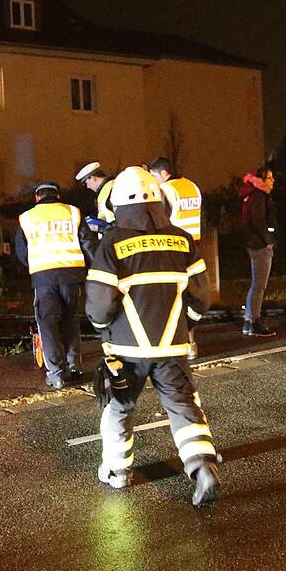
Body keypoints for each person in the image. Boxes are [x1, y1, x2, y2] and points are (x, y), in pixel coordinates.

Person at [85, 166, 221, 507]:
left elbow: (99, 306)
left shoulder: (112, 243)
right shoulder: (182, 239)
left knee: (119, 407)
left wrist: (104, 330)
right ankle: (202, 467)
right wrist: (184, 325)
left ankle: (118, 472)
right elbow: (202, 298)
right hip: (173, 346)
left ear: (117, 204)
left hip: (125, 350)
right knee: (183, 407)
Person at [15, 181, 98, 390]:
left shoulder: (26, 218)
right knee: (70, 320)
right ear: (58, 196)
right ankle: (74, 365)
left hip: (44, 278)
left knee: (48, 325)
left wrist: (35, 264)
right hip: (71, 275)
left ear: (37, 198)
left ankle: (56, 374)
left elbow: (21, 251)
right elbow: (88, 244)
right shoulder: (72, 212)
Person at [149, 156, 204, 359]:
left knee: (175, 296)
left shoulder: (166, 190)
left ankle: (181, 341)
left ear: (164, 173)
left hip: (173, 248)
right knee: (190, 294)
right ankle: (191, 343)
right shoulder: (192, 186)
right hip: (194, 246)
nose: (153, 180)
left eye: (154, 175)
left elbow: (160, 221)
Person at [241, 166, 277, 337]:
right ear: (261, 181)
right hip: (259, 245)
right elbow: (259, 221)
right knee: (259, 285)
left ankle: (249, 321)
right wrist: (269, 241)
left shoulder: (255, 195)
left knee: (257, 284)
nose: (273, 181)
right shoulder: (258, 196)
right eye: (269, 178)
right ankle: (254, 321)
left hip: (255, 243)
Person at [75, 162, 115, 230]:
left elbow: (122, 221)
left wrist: (98, 228)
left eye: (86, 183)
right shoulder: (107, 189)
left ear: (93, 178)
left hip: (117, 237)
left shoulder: (111, 189)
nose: (87, 187)